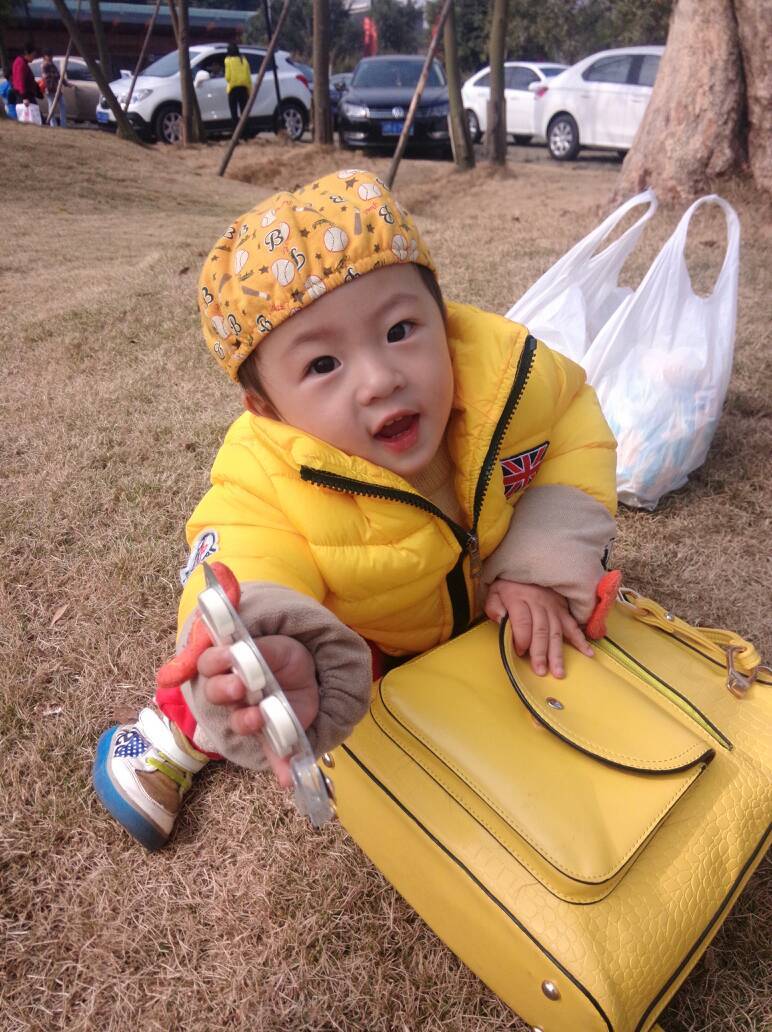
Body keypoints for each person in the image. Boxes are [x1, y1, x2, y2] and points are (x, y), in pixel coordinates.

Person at [92, 169, 619, 851]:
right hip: (362, 633)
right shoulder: (265, 476)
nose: (379, 379)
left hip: (473, 602)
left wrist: (539, 567)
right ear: (266, 407)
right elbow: (240, 562)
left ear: (442, 316)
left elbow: (575, 426)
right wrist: (266, 648)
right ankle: (163, 740)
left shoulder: (507, 381)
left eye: (400, 329)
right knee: (243, 673)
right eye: (323, 366)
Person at [224, 42, 251, 130]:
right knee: (244, 112)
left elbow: (227, 77)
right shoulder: (243, 59)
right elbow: (248, 76)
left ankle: (236, 131)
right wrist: (249, 90)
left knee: (234, 112)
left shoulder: (228, 60)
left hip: (233, 89)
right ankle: (246, 131)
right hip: (243, 89)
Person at [41, 48, 67, 127]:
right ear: (45, 56)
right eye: (48, 56)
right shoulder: (45, 65)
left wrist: (65, 83)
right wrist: (55, 76)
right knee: (51, 106)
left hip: (56, 88)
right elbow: (47, 77)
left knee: (62, 105)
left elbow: (58, 75)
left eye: (51, 56)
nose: (50, 57)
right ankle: (53, 124)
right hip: (50, 88)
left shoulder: (52, 64)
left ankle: (63, 124)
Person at [11, 42, 40, 111]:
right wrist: (24, 97)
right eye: (33, 55)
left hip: (26, 94)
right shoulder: (21, 64)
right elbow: (21, 81)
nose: (34, 58)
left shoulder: (21, 61)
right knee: (33, 114)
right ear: (27, 54)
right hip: (25, 95)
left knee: (35, 113)